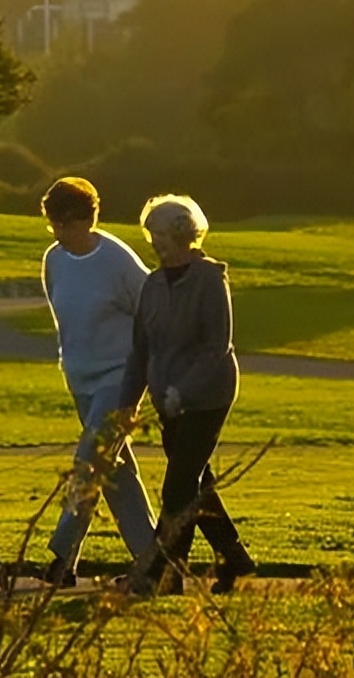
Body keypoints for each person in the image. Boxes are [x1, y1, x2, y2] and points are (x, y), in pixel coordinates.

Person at [118, 194, 255, 596]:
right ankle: (234, 558)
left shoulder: (210, 279)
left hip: (208, 395)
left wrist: (185, 390)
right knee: (195, 485)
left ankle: (157, 574)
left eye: (161, 234)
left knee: (177, 488)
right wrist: (130, 403)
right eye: (151, 234)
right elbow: (141, 350)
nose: (155, 242)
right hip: (168, 400)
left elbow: (217, 347)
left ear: (183, 234)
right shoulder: (154, 285)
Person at [39, 177, 158, 587]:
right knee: (116, 473)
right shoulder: (53, 259)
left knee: (89, 464)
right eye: (53, 225)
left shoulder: (118, 261)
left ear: (88, 220)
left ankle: (60, 557)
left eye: (66, 225)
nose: (59, 234)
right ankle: (153, 561)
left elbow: (151, 311)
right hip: (80, 379)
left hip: (120, 378)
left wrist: (143, 374)